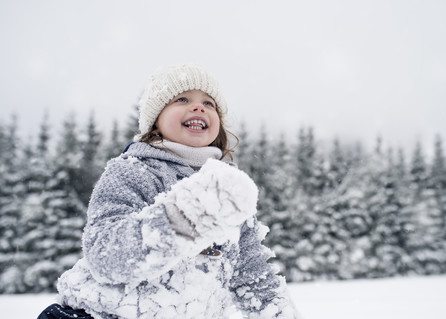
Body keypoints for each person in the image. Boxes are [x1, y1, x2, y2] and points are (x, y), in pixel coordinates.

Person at [38, 63, 297, 319]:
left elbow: (253, 274)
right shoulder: (133, 171)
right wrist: (184, 218)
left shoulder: (226, 190)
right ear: (155, 119)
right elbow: (104, 255)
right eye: (182, 99)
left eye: (210, 104)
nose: (198, 106)